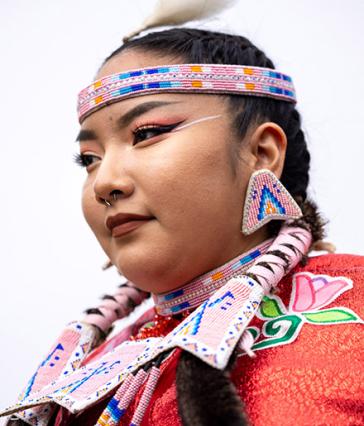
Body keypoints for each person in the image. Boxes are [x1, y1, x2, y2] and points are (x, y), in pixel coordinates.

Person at [1, 2, 363, 425]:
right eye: (89, 159)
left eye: (147, 133)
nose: (104, 183)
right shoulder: (83, 376)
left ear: (261, 153)